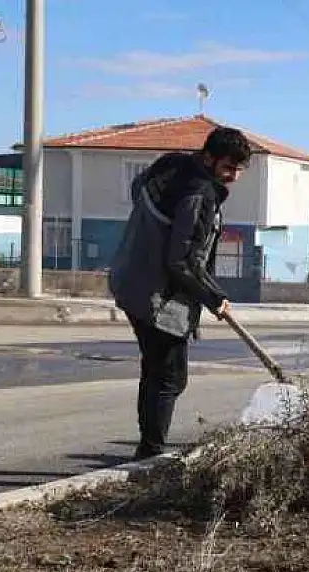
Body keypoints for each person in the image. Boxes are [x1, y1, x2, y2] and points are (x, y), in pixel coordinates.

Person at [108, 126, 253, 460]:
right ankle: (150, 457)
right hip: (158, 298)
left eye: (238, 170)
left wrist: (154, 234)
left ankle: (148, 449)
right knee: (169, 377)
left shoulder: (170, 165)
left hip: (130, 279)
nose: (232, 176)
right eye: (228, 168)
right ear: (209, 157)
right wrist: (214, 298)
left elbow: (137, 190)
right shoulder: (199, 196)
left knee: (156, 370)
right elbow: (182, 261)